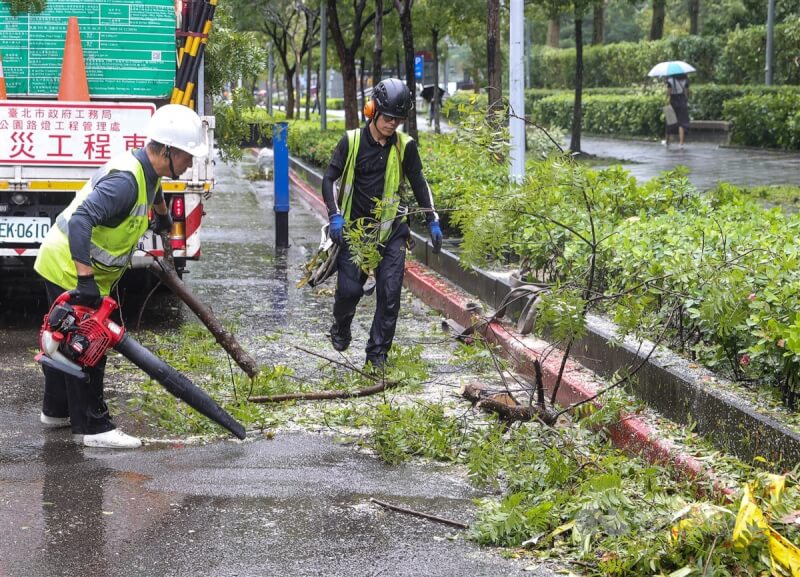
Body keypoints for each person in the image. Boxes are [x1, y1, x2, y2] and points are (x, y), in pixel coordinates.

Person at [33, 104, 207, 449]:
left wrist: (161, 218)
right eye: (188, 157)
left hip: (65, 262)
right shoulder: (126, 183)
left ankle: (56, 411)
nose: (190, 165)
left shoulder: (147, 170)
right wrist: (84, 282)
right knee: (87, 344)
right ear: (168, 152)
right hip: (70, 267)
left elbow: (154, 190)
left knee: (65, 341)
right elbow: (82, 221)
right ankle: (94, 428)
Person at [321, 78, 443, 371]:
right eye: (388, 117)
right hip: (356, 231)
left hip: (392, 232)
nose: (392, 124)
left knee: (390, 296)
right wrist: (334, 215)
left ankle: (377, 356)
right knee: (349, 292)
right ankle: (341, 324)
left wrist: (432, 219)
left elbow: (418, 183)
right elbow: (328, 179)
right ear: (372, 110)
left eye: (398, 120)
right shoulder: (350, 142)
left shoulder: (405, 147)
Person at [664, 73, 690, 148]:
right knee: (681, 123)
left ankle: (667, 141)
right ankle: (681, 143)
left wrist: (665, 97)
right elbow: (686, 92)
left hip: (673, 102)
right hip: (682, 102)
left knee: (670, 121)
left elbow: (669, 93)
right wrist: (686, 100)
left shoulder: (670, 80)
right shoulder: (685, 80)